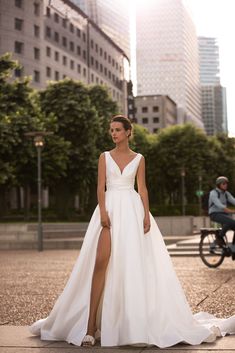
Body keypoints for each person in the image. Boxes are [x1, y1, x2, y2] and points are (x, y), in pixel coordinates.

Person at [29, 115, 235, 348]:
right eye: (111, 130)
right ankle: (88, 328)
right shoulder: (104, 157)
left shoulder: (139, 158)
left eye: (117, 129)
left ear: (128, 132)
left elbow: (143, 188)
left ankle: (128, 323)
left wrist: (146, 214)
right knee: (100, 263)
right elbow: (100, 187)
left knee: (130, 265)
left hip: (132, 211)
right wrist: (104, 213)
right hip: (108, 211)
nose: (113, 133)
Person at [209, 176, 235, 247]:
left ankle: (233, 248)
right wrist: (229, 210)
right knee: (230, 222)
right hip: (214, 214)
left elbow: (233, 200)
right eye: (223, 184)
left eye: (226, 183)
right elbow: (218, 204)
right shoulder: (213, 193)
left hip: (224, 214)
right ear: (219, 185)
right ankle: (219, 238)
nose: (225, 185)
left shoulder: (226, 193)